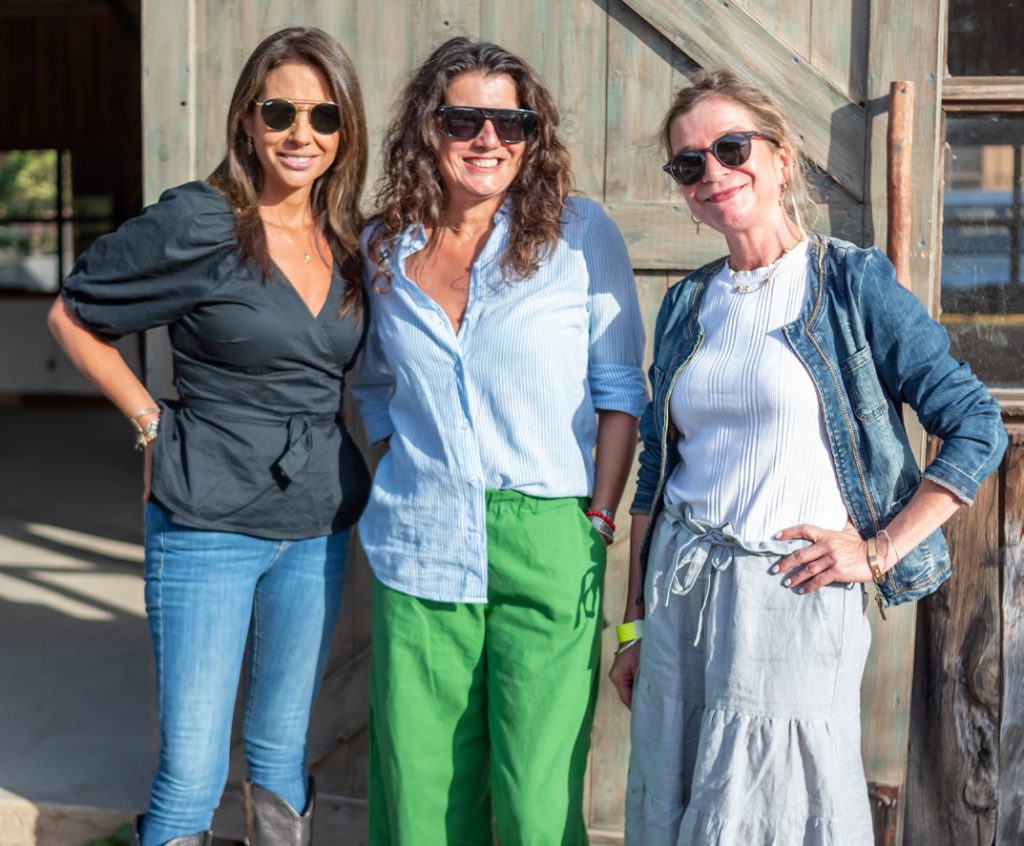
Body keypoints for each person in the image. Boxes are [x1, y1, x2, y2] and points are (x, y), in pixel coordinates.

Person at [609, 69, 1007, 846]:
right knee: (673, 795)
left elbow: (976, 424)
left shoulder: (849, 283)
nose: (713, 174)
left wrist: (881, 549)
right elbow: (656, 469)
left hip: (789, 594)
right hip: (682, 593)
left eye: (731, 148)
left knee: (777, 808)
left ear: (781, 157)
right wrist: (633, 628)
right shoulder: (689, 301)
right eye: (690, 164)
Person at [47, 27, 369, 846]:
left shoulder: (346, 238)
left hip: (315, 522)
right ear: (248, 121)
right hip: (206, 522)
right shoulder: (202, 220)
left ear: (345, 131)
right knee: (191, 769)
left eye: (324, 116)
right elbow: (74, 316)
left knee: (280, 750)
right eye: (281, 111)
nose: (303, 134)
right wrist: (149, 421)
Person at [351, 36, 647, 846]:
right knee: (419, 795)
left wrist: (599, 516)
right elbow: (376, 386)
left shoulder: (581, 235)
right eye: (465, 120)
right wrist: (402, 470)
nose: (489, 140)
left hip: (550, 532)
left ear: (532, 135)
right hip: (419, 536)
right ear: (427, 129)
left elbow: (621, 393)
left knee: (536, 797)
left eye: (510, 123)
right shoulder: (384, 249)